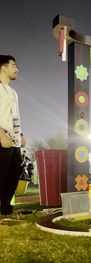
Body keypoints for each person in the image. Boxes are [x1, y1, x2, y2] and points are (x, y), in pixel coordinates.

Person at [0, 55, 26, 219]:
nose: (17, 69)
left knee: (12, 176)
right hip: (2, 138)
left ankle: (6, 210)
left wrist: (21, 134)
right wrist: (1, 134)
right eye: (13, 66)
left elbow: (14, 116)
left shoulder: (14, 92)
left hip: (14, 141)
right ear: (3, 67)